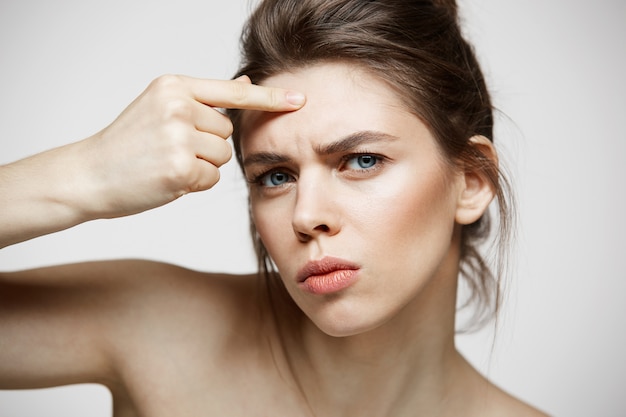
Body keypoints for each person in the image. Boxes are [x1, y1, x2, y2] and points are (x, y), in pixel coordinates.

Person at [0, 0, 547, 415]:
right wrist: (82, 175)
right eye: (276, 176)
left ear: (471, 181)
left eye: (360, 161)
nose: (306, 216)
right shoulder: (157, 330)